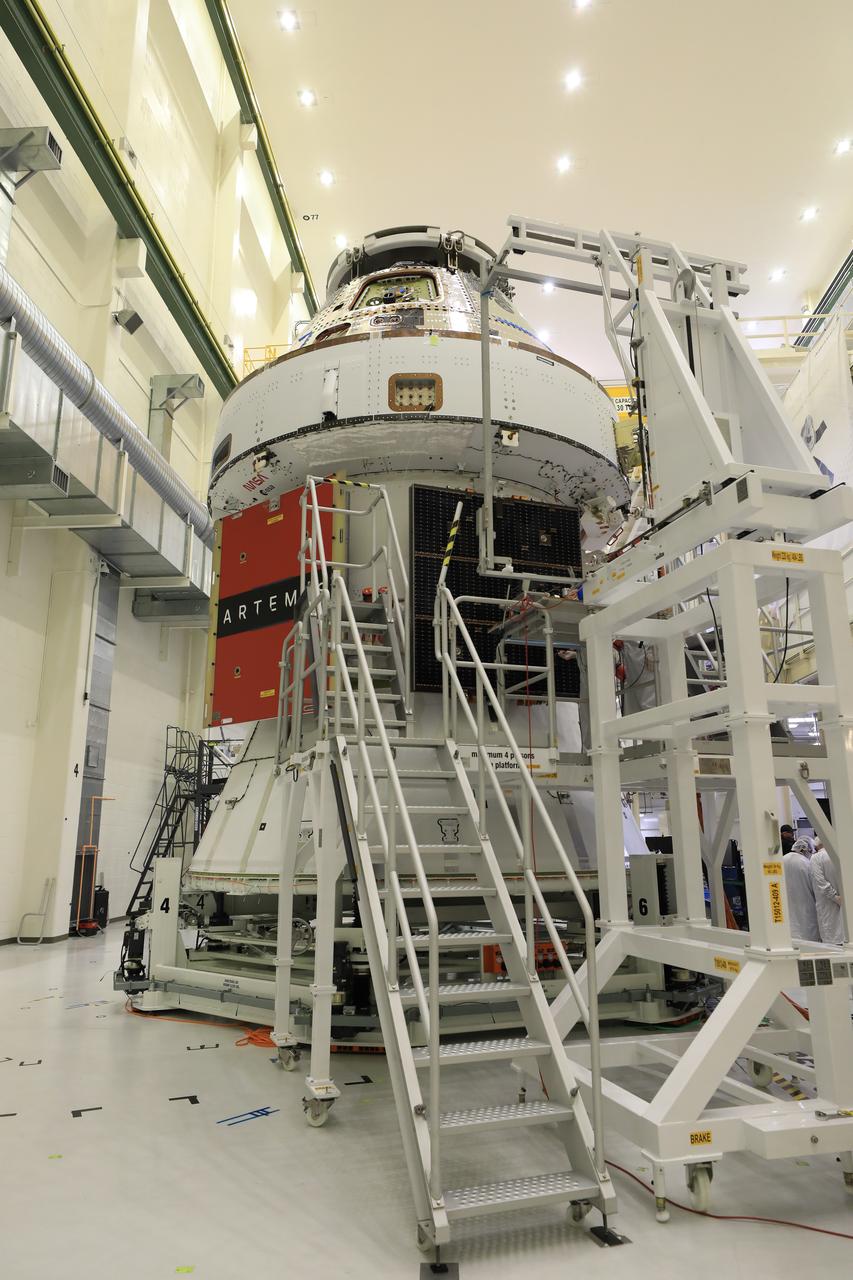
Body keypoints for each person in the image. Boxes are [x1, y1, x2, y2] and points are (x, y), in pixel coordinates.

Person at [783, 837, 820, 942]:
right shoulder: (806, 863)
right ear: (805, 849)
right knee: (807, 936)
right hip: (806, 907)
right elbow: (815, 887)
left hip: (786, 907)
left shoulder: (782, 859)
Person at [810, 843, 846, 944]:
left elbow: (820, 882)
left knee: (832, 939)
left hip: (828, 905)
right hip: (845, 904)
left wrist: (835, 897)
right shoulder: (843, 854)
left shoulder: (816, 858)